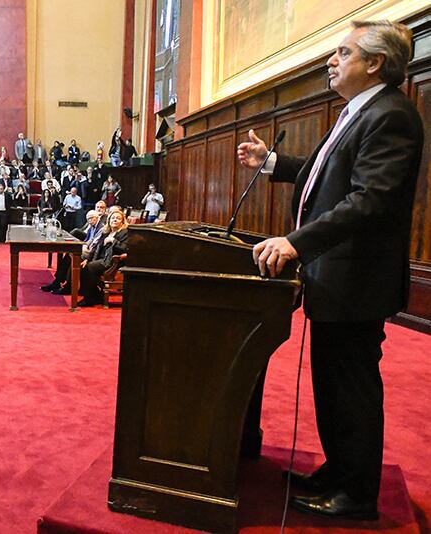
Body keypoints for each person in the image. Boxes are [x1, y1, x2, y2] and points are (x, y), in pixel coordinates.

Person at [238, 20, 422, 520]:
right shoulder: (359, 112)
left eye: (343, 53)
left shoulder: (391, 116)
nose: (331, 61)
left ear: (375, 63)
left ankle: (356, 493)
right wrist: (271, 161)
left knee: (351, 385)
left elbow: (368, 201)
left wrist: (297, 244)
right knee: (331, 380)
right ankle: (340, 469)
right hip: (335, 277)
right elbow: (324, 175)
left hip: (357, 280)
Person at [77, 207, 129, 307]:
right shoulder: (106, 232)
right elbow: (96, 248)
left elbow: (125, 248)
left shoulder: (124, 233)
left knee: (89, 268)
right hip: (101, 259)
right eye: (113, 218)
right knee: (83, 265)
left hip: (111, 261)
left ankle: (89, 299)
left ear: (122, 222)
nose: (115, 220)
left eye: (118, 218)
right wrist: (88, 259)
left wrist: (113, 241)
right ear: (109, 220)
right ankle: (95, 296)